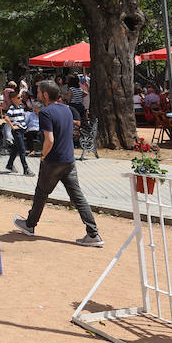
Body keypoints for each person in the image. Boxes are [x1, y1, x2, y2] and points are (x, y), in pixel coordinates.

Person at [13, 80, 104, 247]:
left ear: (46, 95)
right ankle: (93, 233)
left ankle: (30, 225)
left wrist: (43, 156)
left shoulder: (46, 113)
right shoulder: (67, 110)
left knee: (41, 193)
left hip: (53, 161)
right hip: (69, 160)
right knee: (78, 197)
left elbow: (49, 140)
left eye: (39, 92)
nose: (37, 95)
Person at [3, 90, 32, 176]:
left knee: (16, 148)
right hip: (17, 131)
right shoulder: (12, 108)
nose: (20, 99)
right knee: (22, 149)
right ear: (13, 99)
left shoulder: (20, 107)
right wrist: (13, 126)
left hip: (22, 130)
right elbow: (6, 118)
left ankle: (9, 164)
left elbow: (22, 116)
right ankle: (26, 168)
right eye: (18, 98)